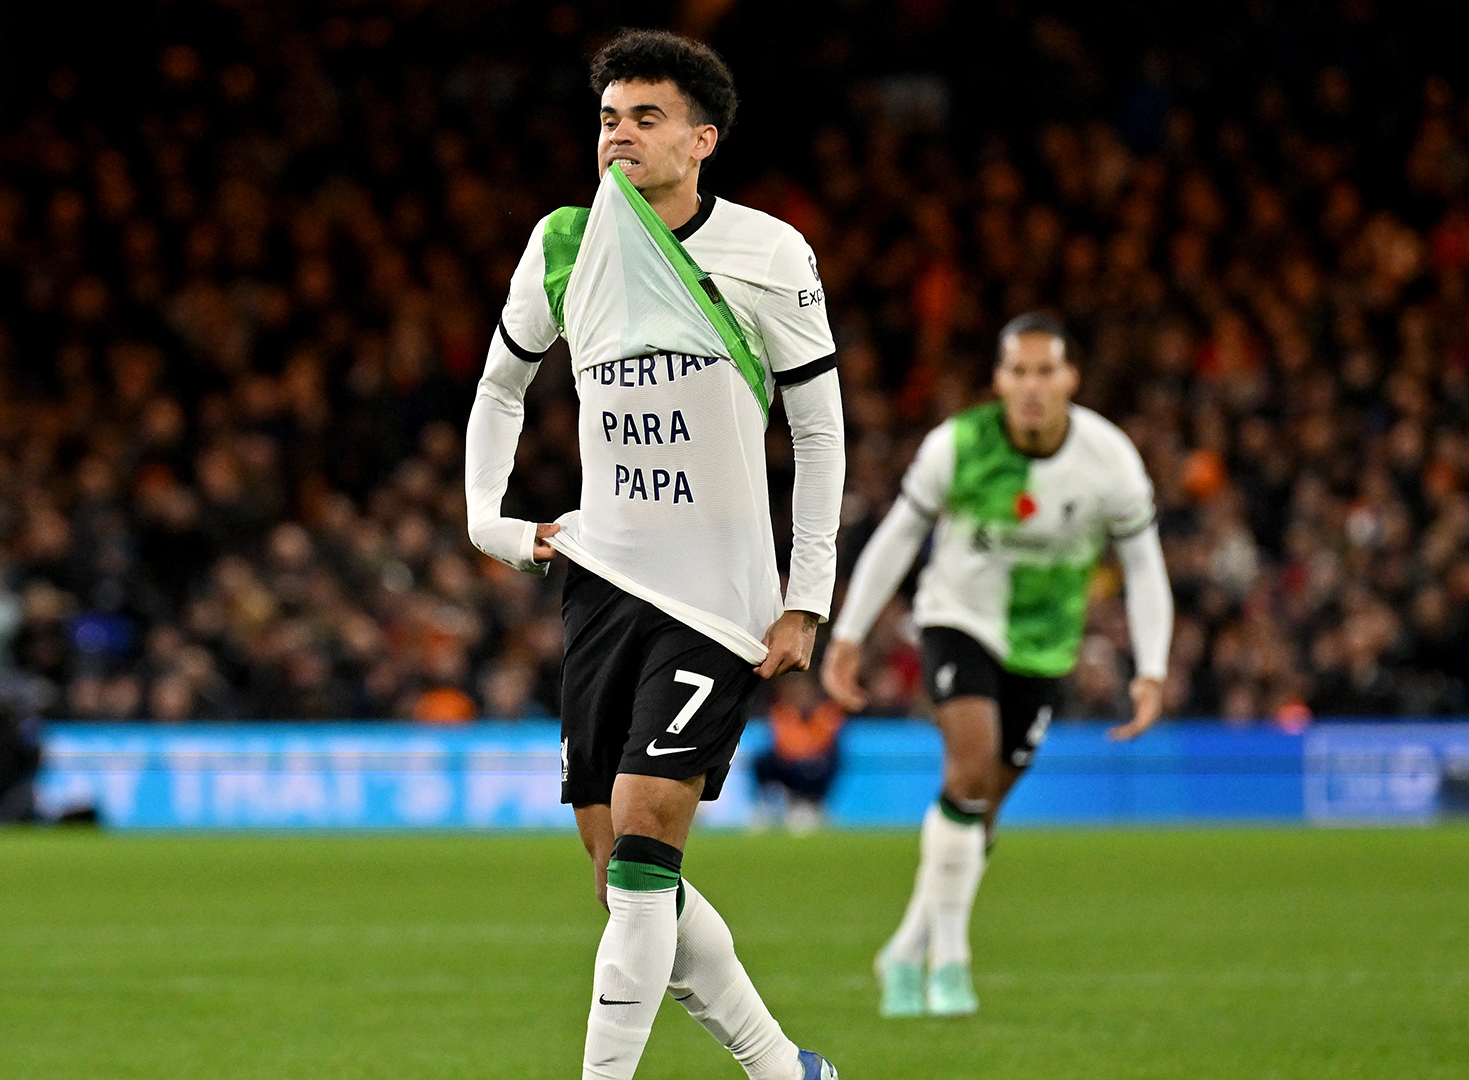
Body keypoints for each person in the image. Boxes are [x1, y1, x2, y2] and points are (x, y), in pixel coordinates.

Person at [466, 29, 843, 1080]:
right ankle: (783, 1070)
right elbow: (501, 387)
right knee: (624, 875)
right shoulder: (561, 245)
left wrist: (805, 596)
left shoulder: (769, 254)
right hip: (603, 580)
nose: (619, 137)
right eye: (607, 118)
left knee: (642, 841)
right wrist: (482, 517)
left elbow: (819, 433)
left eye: (646, 118)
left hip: (718, 602)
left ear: (702, 138)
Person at [822, 313, 1174, 1018]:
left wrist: (1152, 669)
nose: (1033, 386)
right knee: (969, 770)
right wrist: (850, 633)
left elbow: (1142, 566)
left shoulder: (1111, 461)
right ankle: (951, 963)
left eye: (1047, 371)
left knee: (980, 811)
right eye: (1020, 371)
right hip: (958, 621)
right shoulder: (957, 447)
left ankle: (904, 948)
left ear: (1070, 378)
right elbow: (899, 535)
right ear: (999, 380)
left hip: (1044, 646)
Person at [751, 671, 844, 834]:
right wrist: (803, 750)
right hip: (790, 764)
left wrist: (806, 751)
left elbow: (824, 742)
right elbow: (785, 744)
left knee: (827, 763)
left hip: (815, 765)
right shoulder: (783, 712)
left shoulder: (826, 713)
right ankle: (770, 804)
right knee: (762, 761)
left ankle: (811, 805)